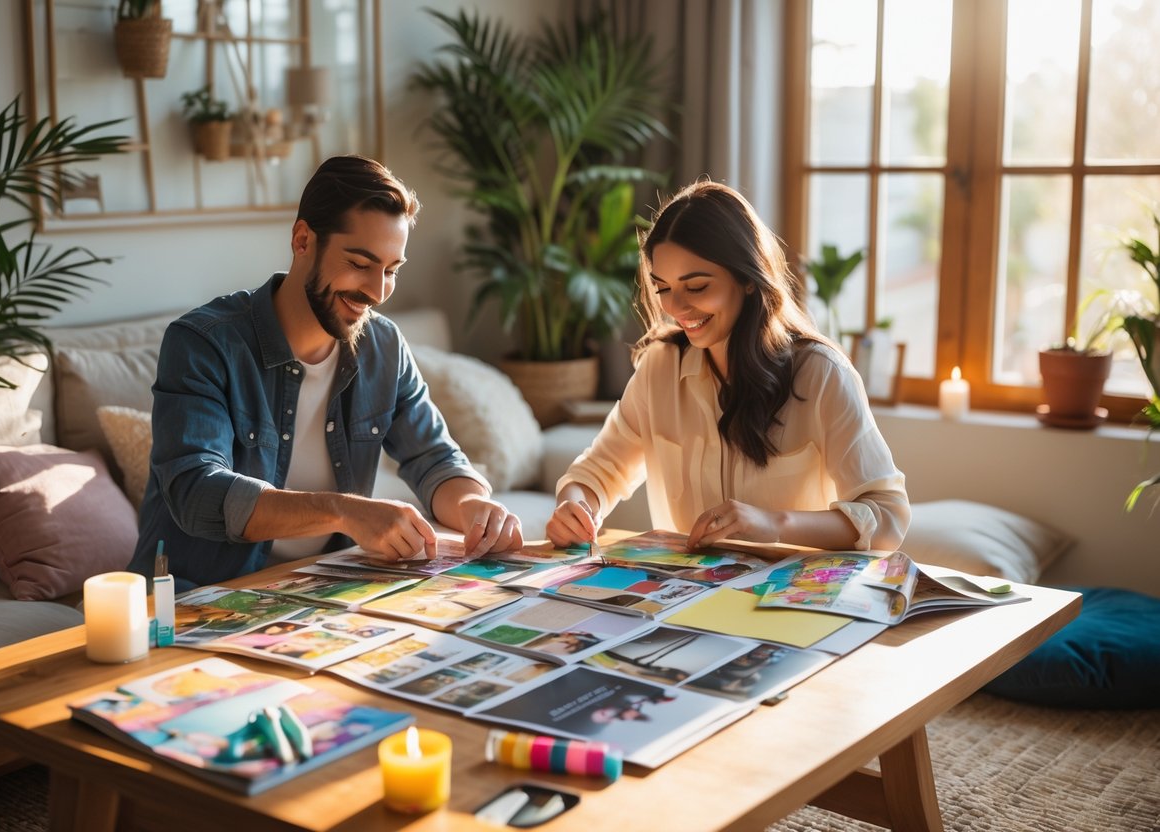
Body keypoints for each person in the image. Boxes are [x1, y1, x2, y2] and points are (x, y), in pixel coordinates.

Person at [130, 155, 523, 589]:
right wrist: (346, 511)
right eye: (359, 264)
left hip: (320, 595)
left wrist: (474, 507)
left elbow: (434, 458)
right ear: (302, 240)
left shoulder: (384, 346)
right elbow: (196, 491)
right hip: (196, 597)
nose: (376, 292)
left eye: (390, 271)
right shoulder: (203, 344)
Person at [546, 181, 909, 553]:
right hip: (680, 603)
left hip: (786, 601)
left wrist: (774, 522)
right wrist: (575, 507)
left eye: (698, 286)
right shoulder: (660, 368)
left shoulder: (821, 374)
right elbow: (595, 474)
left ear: (748, 279)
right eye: (663, 288)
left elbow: (887, 516)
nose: (677, 308)